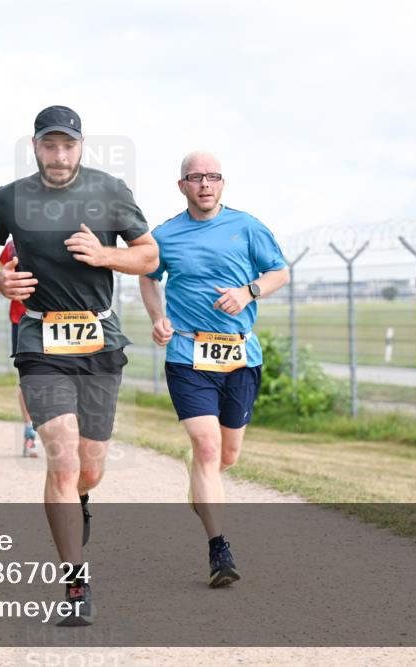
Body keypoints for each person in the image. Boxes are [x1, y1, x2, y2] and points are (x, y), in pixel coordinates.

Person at [0, 105, 158, 626]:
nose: (58, 154)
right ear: (35, 147)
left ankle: (78, 505)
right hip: (39, 337)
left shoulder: (110, 191)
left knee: (89, 467)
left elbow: (149, 256)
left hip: (98, 338)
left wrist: (105, 256)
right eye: (49, 145)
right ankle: (75, 584)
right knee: (63, 458)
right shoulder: (11, 197)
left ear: (80, 145)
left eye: (67, 145)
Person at [139, 150, 289, 588]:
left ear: (222, 183)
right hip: (187, 354)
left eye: (213, 176)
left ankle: (201, 486)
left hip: (240, 357)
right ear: (182, 185)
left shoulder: (247, 227)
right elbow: (147, 276)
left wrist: (248, 292)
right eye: (196, 177)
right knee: (206, 448)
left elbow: (280, 272)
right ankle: (218, 549)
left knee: (226, 456)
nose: (205, 184)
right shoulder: (164, 235)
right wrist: (157, 317)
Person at [0, 240, 40, 458]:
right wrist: (4, 284)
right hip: (23, 319)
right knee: (29, 379)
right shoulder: (13, 244)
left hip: (62, 320)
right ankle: (30, 432)